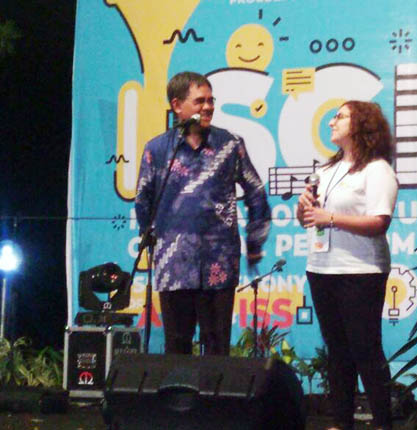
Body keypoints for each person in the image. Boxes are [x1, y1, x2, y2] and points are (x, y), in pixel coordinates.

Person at [135, 71, 270, 356]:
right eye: (199, 101)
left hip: (219, 261)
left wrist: (255, 242)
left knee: (217, 347)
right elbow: (142, 199)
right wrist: (153, 240)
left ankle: (216, 389)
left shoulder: (230, 145)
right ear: (177, 105)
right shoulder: (157, 149)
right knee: (176, 346)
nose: (208, 107)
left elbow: (256, 191)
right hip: (174, 262)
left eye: (211, 100)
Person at [296, 101, 398, 430]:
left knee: (365, 350)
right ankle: (341, 422)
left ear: (360, 125)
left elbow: (379, 222)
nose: (331, 122)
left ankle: (383, 422)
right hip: (322, 268)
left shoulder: (377, 169)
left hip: (360, 271)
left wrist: (331, 218)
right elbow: (308, 220)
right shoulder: (327, 170)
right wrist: (303, 207)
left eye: (339, 117)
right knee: (337, 351)